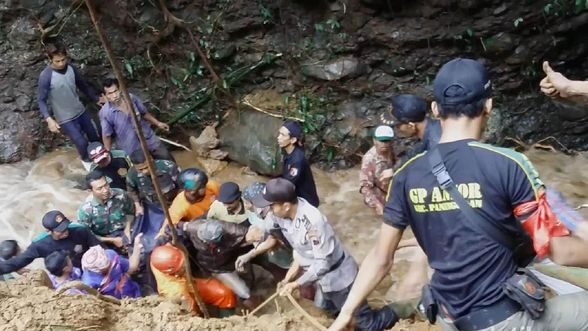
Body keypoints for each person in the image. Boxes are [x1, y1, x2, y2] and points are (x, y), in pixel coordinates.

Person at [328, 58, 588, 331]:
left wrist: (347, 313)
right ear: (488, 106)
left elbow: (381, 258)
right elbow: (561, 251)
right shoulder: (509, 164)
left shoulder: (406, 174)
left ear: (435, 109)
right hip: (502, 320)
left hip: (448, 316)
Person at [252, 178, 398, 331]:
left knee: (368, 325)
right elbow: (269, 227)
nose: (268, 210)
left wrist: (296, 283)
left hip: (339, 278)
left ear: (286, 206)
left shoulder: (313, 223)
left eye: (271, 206)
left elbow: (323, 264)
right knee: (327, 310)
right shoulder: (279, 214)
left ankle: (400, 310)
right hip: (321, 279)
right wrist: (258, 236)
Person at [37, 42, 103, 162]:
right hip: (65, 118)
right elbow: (41, 100)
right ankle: (88, 161)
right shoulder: (46, 76)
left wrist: (96, 99)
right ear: (50, 59)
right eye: (57, 61)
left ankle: (103, 159)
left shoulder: (71, 68)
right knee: (81, 142)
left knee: (95, 136)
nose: (61, 63)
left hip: (80, 111)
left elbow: (83, 85)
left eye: (63, 60)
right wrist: (49, 119)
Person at [182, 219, 257, 309]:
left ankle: (253, 297)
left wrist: (251, 253)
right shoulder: (193, 227)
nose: (205, 243)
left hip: (235, 260)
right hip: (215, 268)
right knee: (244, 292)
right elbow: (176, 229)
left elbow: (256, 235)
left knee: (248, 280)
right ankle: (246, 301)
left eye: (209, 242)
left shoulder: (234, 231)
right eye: (204, 240)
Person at [0, 211, 101, 275]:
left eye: (66, 227)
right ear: (49, 231)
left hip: (91, 267)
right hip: (64, 275)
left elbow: (99, 248)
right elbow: (19, 261)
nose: (65, 232)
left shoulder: (79, 230)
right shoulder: (39, 244)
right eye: (60, 231)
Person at [150, 244, 237, 317]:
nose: (185, 265)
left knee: (225, 293)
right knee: (193, 312)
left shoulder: (160, 255)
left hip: (190, 282)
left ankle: (228, 319)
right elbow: (189, 313)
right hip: (185, 292)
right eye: (182, 267)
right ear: (173, 273)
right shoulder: (176, 290)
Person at [99, 78, 173, 161]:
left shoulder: (130, 98)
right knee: (144, 169)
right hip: (132, 147)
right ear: (105, 95)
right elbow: (107, 135)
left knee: (166, 157)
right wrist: (107, 153)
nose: (114, 95)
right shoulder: (105, 113)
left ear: (119, 89)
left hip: (148, 137)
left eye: (115, 91)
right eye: (110, 93)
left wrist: (158, 123)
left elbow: (144, 113)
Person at [78, 171, 135, 252]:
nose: (105, 190)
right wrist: (112, 240)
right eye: (99, 188)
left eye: (106, 185)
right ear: (90, 191)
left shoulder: (120, 194)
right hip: (103, 239)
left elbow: (130, 212)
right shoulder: (86, 210)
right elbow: (87, 234)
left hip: (125, 230)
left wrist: (127, 229)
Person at [380, 94, 441, 167]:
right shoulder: (435, 126)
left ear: (411, 126)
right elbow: (418, 151)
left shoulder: (435, 147)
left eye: (398, 126)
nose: (397, 129)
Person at [158, 168, 219, 236]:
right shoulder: (180, 205)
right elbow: (168, 225)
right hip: (200, 226)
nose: (205, 186)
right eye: (202, 186)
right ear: (193, 191)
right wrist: (161, 237)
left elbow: (222, 198)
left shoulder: (210, 186)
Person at [277, 121, 319, 207]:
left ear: (293, 140)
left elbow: (288, 184)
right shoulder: (288, 151)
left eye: (283, 135)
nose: (278, 137)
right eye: (279, 134)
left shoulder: (297, 160)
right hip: (297, 198)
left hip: (307, 203)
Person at [359, 125, 396, 215]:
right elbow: (365, 188)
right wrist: (378, 205)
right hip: (379, 193)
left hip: (392, 188)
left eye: (387, 141)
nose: (384, 144)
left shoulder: (393, 150)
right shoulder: (369, 159)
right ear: (374, 140)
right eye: (381, 141)